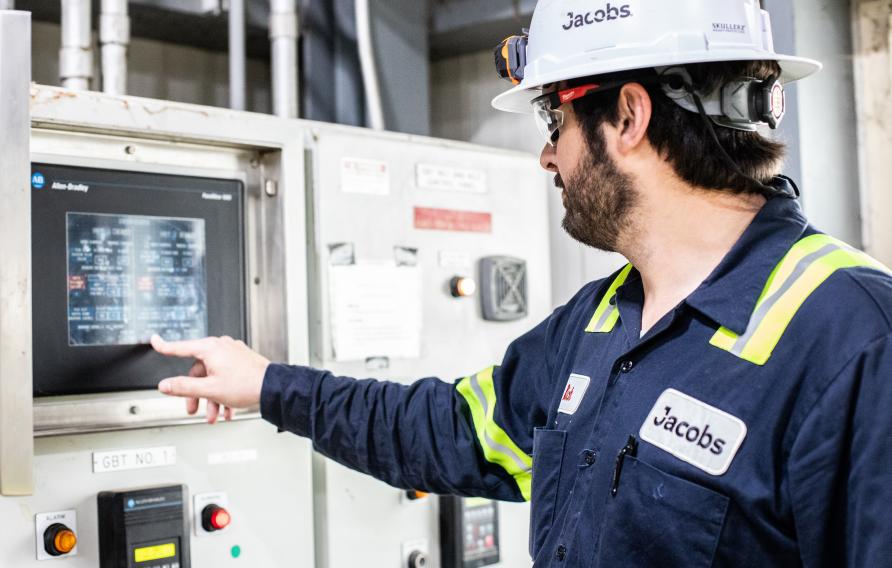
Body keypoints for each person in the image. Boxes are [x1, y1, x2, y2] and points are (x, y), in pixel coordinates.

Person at [152, 1, 892, 565]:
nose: (548, 157)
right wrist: (269, 384)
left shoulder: (855, 338)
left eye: (555, 120)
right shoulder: (599, 321)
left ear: (628, 116)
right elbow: (447, 430)